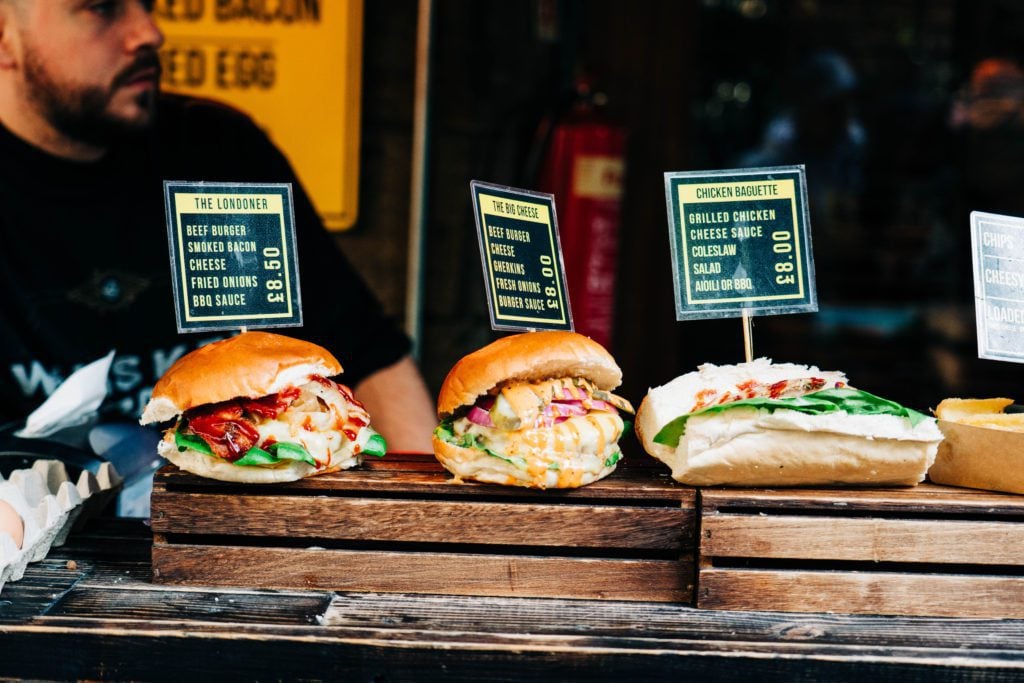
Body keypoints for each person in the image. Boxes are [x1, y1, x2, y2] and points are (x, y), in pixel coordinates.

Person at [0, 0, 436, 452]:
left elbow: (368, 352)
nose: (149, 32)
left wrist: (426, 515)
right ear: (4, 35)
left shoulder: (218, 149)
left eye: (146, 4)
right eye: (101, 8)